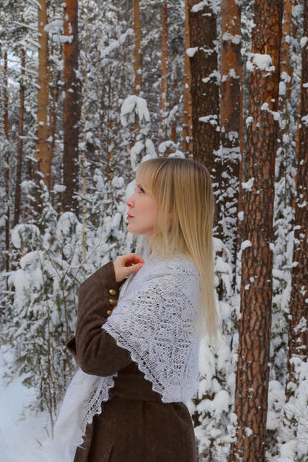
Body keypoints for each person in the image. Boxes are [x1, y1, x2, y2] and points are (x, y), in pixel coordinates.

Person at [52, 156, 220, 462]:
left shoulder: (171, 278)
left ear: (172, 207)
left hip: (140, 440)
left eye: (142, 191)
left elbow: (95, 356)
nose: (130, 200)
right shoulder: (158, 269)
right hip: (135, 433)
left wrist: (99, 284)